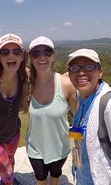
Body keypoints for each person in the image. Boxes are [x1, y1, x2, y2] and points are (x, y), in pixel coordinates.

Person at [66, 48, 111, 184]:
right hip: (82, 178)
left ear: (100, 72)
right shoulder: (81, 99)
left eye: (89, 66)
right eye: (74, 68)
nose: (81, 72)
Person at [25, 36, 77, 185]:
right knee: (40, 179)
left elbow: (78, 119)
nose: (42, 57)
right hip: (35, 147)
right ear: (31, 58)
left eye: (47, 52)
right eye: (36, 53)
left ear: (53, 56)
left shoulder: (66, 84)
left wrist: (77, 150)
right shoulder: (27, 83)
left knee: (55, 177)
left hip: (60, 146)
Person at [0, 33, 28, 185]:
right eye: (5, 52)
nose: (11, 55)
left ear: (22, 56)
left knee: (10, 162)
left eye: (16, 52)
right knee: (6, 172)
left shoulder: (23, 75)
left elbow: (45, 77)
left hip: (13, 133)